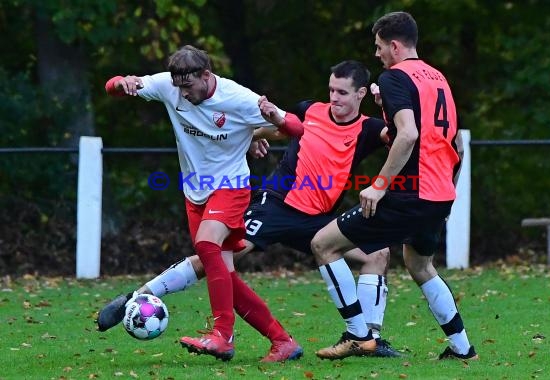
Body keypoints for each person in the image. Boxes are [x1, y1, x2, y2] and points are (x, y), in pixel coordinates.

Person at [97, 60, 401, 358]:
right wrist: (250, 140)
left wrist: (386, 103)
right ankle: (140, 295)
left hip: (319, 220)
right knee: (213, 258)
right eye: (331, 90)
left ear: (361, 94)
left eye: (343, 93)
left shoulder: (369, 129)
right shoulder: (309, 109)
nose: (334, 98)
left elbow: (401, 138)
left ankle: (367, 338)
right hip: (277, 206)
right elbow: (275, 129)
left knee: (377, 254)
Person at [103, 45, 306, 362]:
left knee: (207, 245)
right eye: (178, 87)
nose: (182, 94)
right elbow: (111, 87)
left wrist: (273, 117)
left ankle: (222, 335)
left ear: (207, 75)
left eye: (188, 86)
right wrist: (122, 83)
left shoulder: (237, 97)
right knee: (224, 276)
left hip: (231, 186)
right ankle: (283, 341)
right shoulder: (170, 86)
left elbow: (297, 129)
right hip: (194, 192)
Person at [310, 12, 478, 361]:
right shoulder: (437, 79)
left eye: (379, 46)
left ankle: (359, 336)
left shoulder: (394, 78)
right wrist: (446, 197)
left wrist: (379, 185)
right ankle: (463, 350)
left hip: (410, 193)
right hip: (439, 193)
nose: (377, 54)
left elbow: (409, 134)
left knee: (323, 244)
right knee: (419, 264)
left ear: (395, 45)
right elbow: (455, 146)